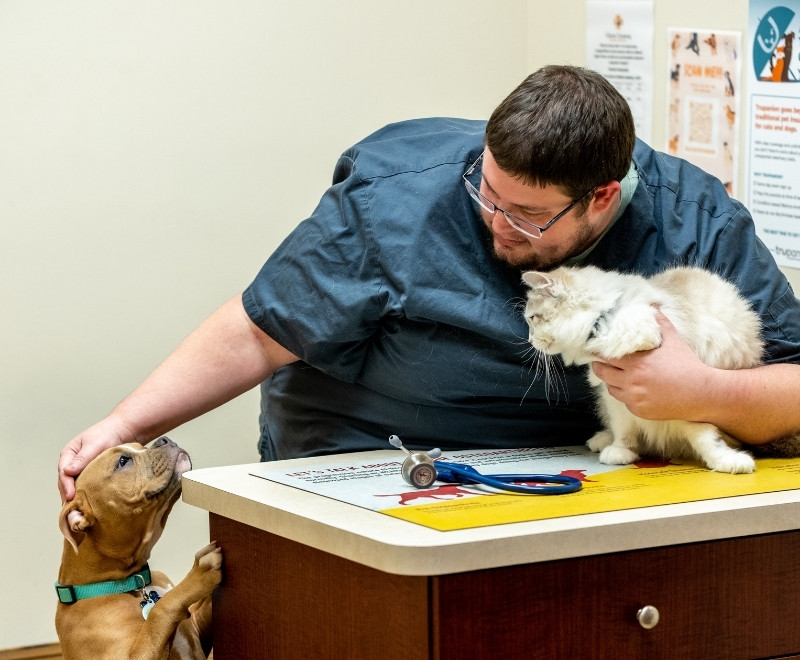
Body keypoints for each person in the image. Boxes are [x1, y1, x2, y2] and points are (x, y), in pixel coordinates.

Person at [59, 65, 800, 501]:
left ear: (603, 197)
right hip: (369, 461)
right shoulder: (399, 198)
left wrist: (704, 394)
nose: (496, 224)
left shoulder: (696, 220)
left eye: (529, 218)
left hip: (568, 479)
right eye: (487, 192)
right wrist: (124, 426)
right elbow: (260, 331)